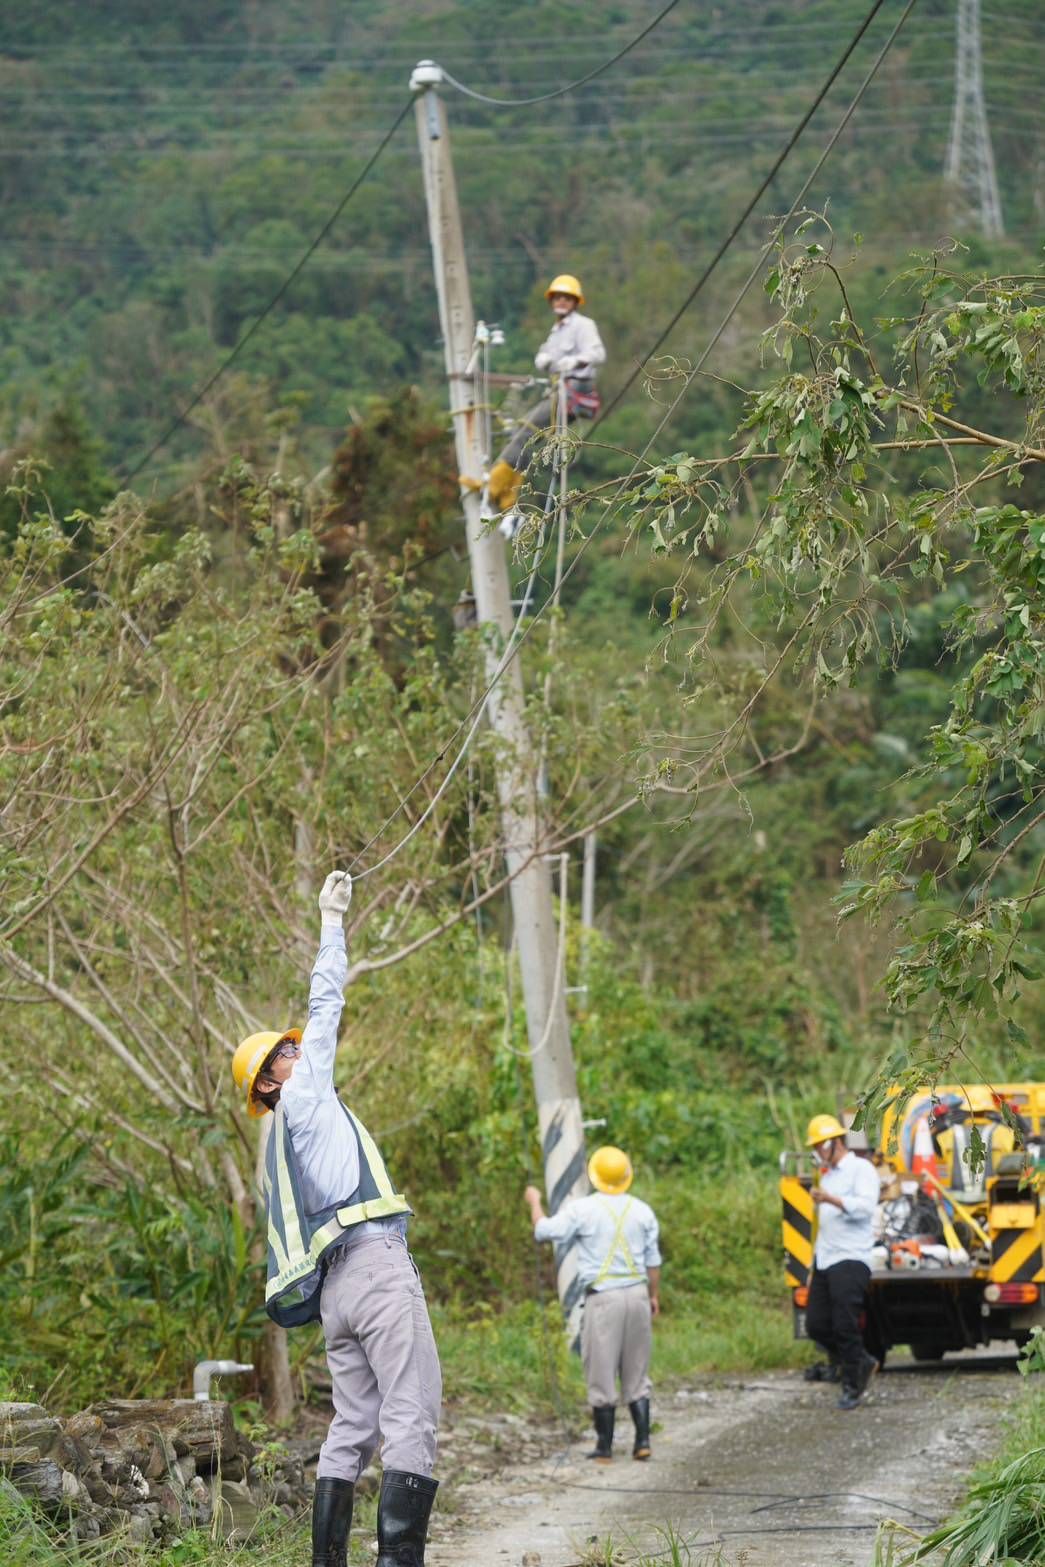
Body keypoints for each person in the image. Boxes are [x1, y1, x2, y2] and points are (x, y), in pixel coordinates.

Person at [231, 871, 441, 1567]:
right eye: (281, 1054)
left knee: (351, 1424)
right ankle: (398, 1560)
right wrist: (330, 918)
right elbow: (328, 997)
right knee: (412, 1411)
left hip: (336, 1293)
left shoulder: (275, 1145)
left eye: (291, 1047)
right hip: (376, 1267)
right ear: (269, 1082)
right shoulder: (307, 1090)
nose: (297, 1050)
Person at [524, 1145, 660, 1462]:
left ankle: (605, 1446)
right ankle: (642, 1442)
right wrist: (654, 1296)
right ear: (626, 1176)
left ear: (594, 1176)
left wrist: (535, 1202)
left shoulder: (582, 1210)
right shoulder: (642, 1211)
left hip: (604, 1300)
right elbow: (653, 1262)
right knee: (637, 1372)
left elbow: (543, 1231)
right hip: (638, 1295)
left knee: (600, 1370)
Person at [485, 273, 606, 527]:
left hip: (573, 392)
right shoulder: (557, 331)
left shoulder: (583, 325)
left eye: (566, 298)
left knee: (527, 430)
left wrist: (576, 361)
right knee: (526, 432)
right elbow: (546, 355)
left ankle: (498, 482)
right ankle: (508, 498)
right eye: (557, 298)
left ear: (575, 302)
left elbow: (597, 353)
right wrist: (544, 359)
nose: (561, 302)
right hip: (558, 391)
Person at [803, 1114, 881, 1411]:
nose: (818, 1152)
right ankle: (859, 1361)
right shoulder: (830, 1175)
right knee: (816, 1325)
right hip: (826, 1259)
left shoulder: (861, 1170)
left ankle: (852, 1384)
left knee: (844, 1323)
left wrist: (831, 1199)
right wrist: (814, 1266)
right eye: (815, 1147)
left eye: (821, 1145)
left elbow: (864, 1209)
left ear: (836, 1142)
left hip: (851, 1258)